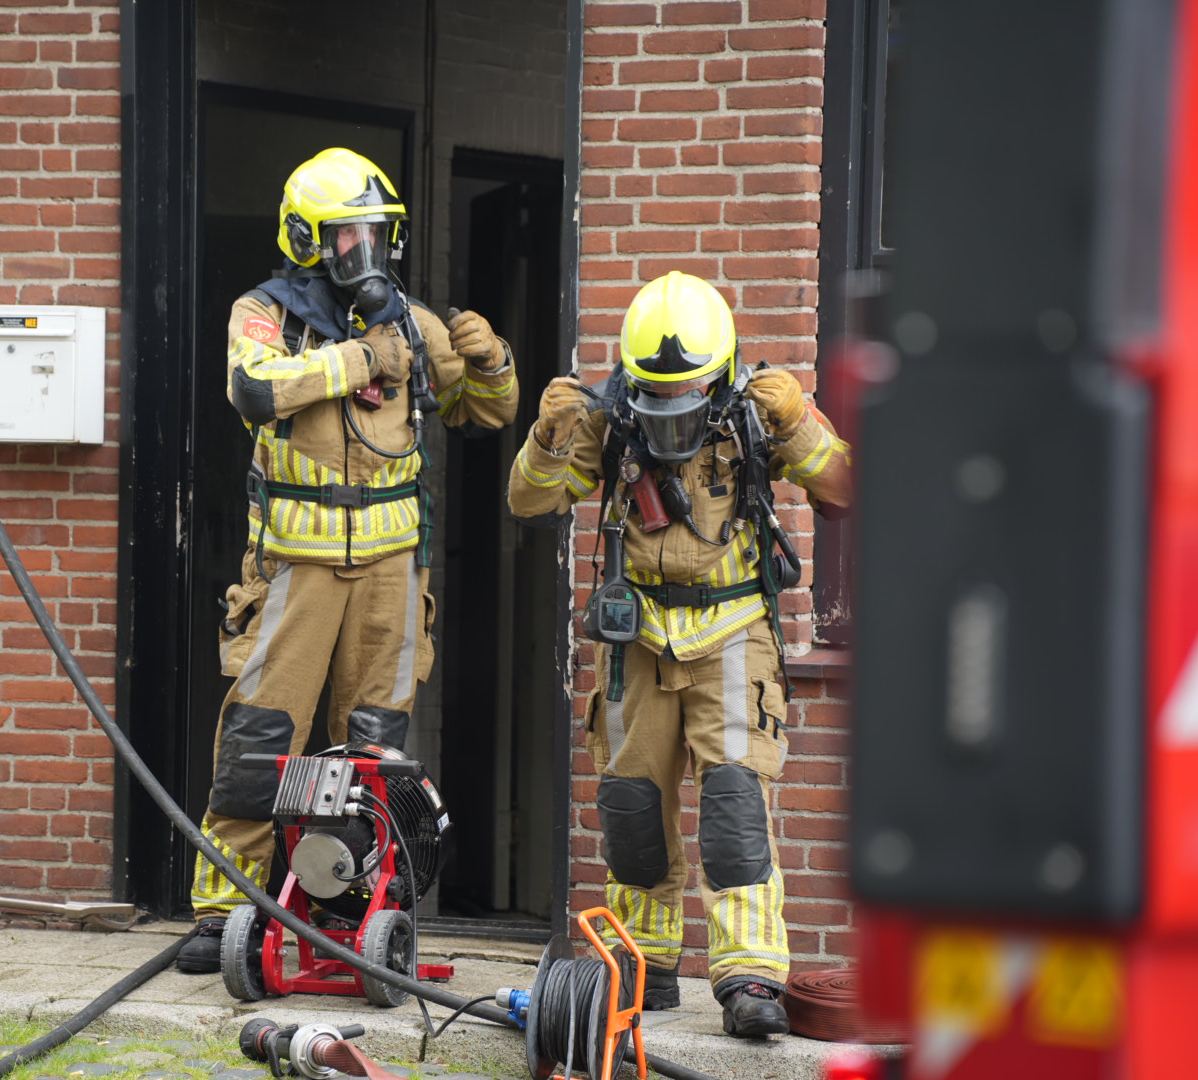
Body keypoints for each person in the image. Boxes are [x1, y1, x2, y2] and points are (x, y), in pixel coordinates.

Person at [177, 147, 520, 973]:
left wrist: (489, 358)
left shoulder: (412, 320)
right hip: (295, 564)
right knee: (263, 736)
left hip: (392, 569)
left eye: (375, 232)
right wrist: (364, 358)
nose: (364, 250)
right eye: (346, 234)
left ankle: (349, 906)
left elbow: (484, 412)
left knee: (372, 748)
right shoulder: (264, 312)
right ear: (307, 239)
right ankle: (223, 908)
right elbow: (254, 389)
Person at [506, 272, 850, 1036]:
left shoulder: (753, 417)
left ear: (720, 372)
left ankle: (751, 976)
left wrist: (798, 423)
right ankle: (645, 964)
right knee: (632, 813)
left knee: (734, 810)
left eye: (685, 394)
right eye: (654, 395)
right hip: (638, 639)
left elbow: (847, 486)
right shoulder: (608, 420)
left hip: (731, 635)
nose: (668, 411)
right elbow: (528, 501)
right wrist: (546, 435)